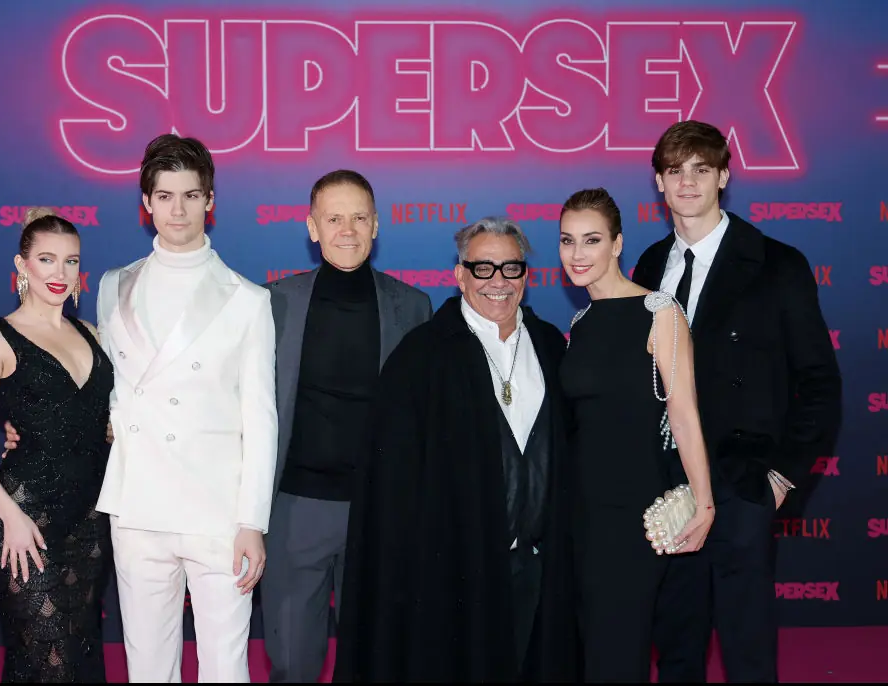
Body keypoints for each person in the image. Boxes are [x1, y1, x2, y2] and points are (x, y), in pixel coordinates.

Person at [4, 134, 278, 682]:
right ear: (146, 203)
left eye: (191, 195)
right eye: (166, 196)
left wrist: (252, 521)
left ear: (211, 201)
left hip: (217, 511)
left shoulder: (247, 299)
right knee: (148, 661)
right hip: (137, 508)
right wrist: (32, 427)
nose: (178, 210)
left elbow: (261, 417)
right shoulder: (111, 285)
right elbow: (96, 386)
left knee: (226, 662)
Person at [632, 120, 842, 682]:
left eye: (702, 169)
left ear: (724, 175)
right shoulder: (650, 267)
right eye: (675, 170)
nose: (688, 182)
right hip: (668, 484)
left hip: (742, 482)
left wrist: (777, 480)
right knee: (676, 640)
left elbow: (820, 383)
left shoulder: (778, 264)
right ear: (658, 182)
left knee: (747, 648)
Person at [333, 217, 579, 683]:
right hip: (456, 579)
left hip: (540, 570)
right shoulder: (421, 357)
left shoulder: (550, 347)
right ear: (459, 275)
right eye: (483, 268)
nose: (499, 282)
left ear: (527, 275)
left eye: (511, 268)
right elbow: (392, 488)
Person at [260, 170, 432, 682]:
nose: (348, 230)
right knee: (292, 660)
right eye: (334, 218)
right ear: (312, 228)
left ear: (376, 224)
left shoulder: (414, 308)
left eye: (359, 217)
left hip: (380, 511)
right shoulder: (270, 304)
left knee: (375, 657)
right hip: (294, 509)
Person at [0, 207, 114, 682]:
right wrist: (9, 516)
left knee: (81, 657)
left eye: (71, 261)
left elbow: (108, 420)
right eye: (46, 259)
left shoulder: (93, 335)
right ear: (22, 267)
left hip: (90, 521)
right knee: (46, 662)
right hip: (27, 519)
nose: (59, 273)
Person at [557, 188, 714, 681]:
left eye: (591, 240)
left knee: (617, 651)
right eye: (567, 241)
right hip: (580, 512)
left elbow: (685, 415)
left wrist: (705, 503)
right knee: (586, 648)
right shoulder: (580, 322)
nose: (577, 255)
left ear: (617, 244)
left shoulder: (659, 311)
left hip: (634, 513)